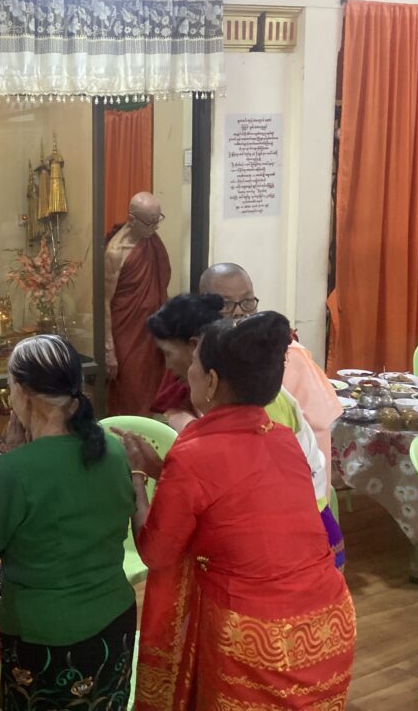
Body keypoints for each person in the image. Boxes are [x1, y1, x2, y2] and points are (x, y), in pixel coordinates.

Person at [125, 313, 355, 709]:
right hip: (328, 625)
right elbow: (234, 498)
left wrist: (136, 479)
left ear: (212, 381)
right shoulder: (282, 438)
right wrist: (164, 471)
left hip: (256, 636)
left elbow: (156, 552)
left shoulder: (195, 453)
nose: (187, 373)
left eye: (194, 363)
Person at [0, 335, 137, 711]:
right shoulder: (112, 449)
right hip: (114, 624)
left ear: (22, 391)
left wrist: (11, 454)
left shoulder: (14, 470)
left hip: (45, 637)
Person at [147, 294, 344, 568]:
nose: (167, 367)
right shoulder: (234, 404)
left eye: (168, 354)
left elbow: (253, 493)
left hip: (299, 537)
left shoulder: (261, 411)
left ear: (196, 352)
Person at [199, 262, 342, 480]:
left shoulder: (288, 355)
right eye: (226, 304)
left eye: (247, 302)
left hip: (288, 475)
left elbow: (319, 425)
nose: (239, 312)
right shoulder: (199, 353)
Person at [104, 191, 171, 416]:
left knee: (156, 388)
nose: (156, 227)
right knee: (131, 389)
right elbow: (104, 302)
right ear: (132, 219)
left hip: (154, 330)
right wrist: (109, 348)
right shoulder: (115, 253)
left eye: (158, 219)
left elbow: (163, 281)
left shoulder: (150, 239)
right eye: (150, 222)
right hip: (127, 332)